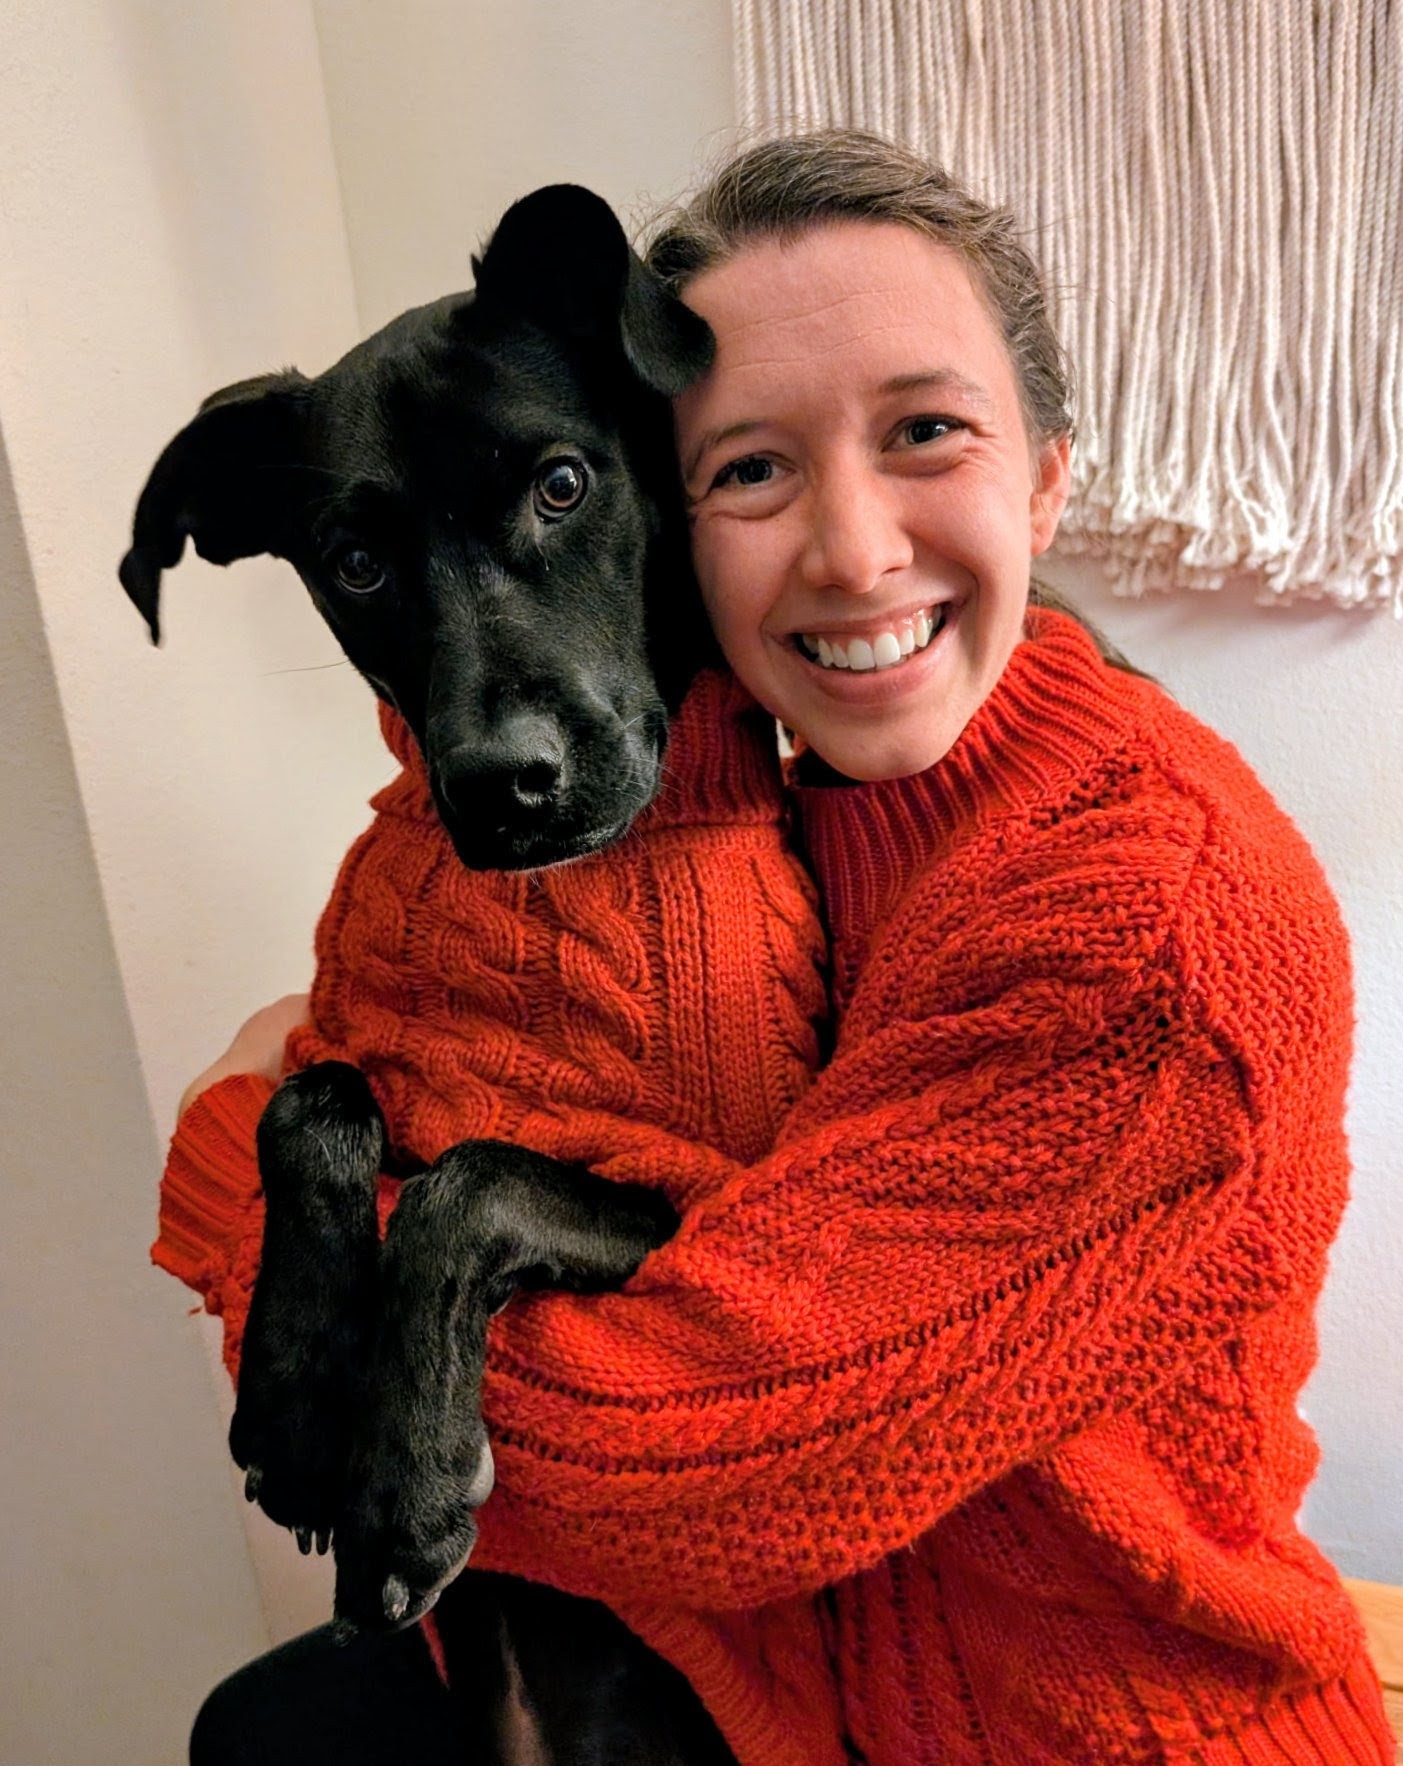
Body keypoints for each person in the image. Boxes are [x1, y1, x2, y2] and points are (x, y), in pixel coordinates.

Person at [165, 131, 1393, 1764]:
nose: (853, 550)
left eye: (927, 432)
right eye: (750, 467)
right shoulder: (779, 799)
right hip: (806, 1690)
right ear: (681, 525)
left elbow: (699, 1471)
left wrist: (233, 1181)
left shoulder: (1151, 919)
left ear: (1046, 472)